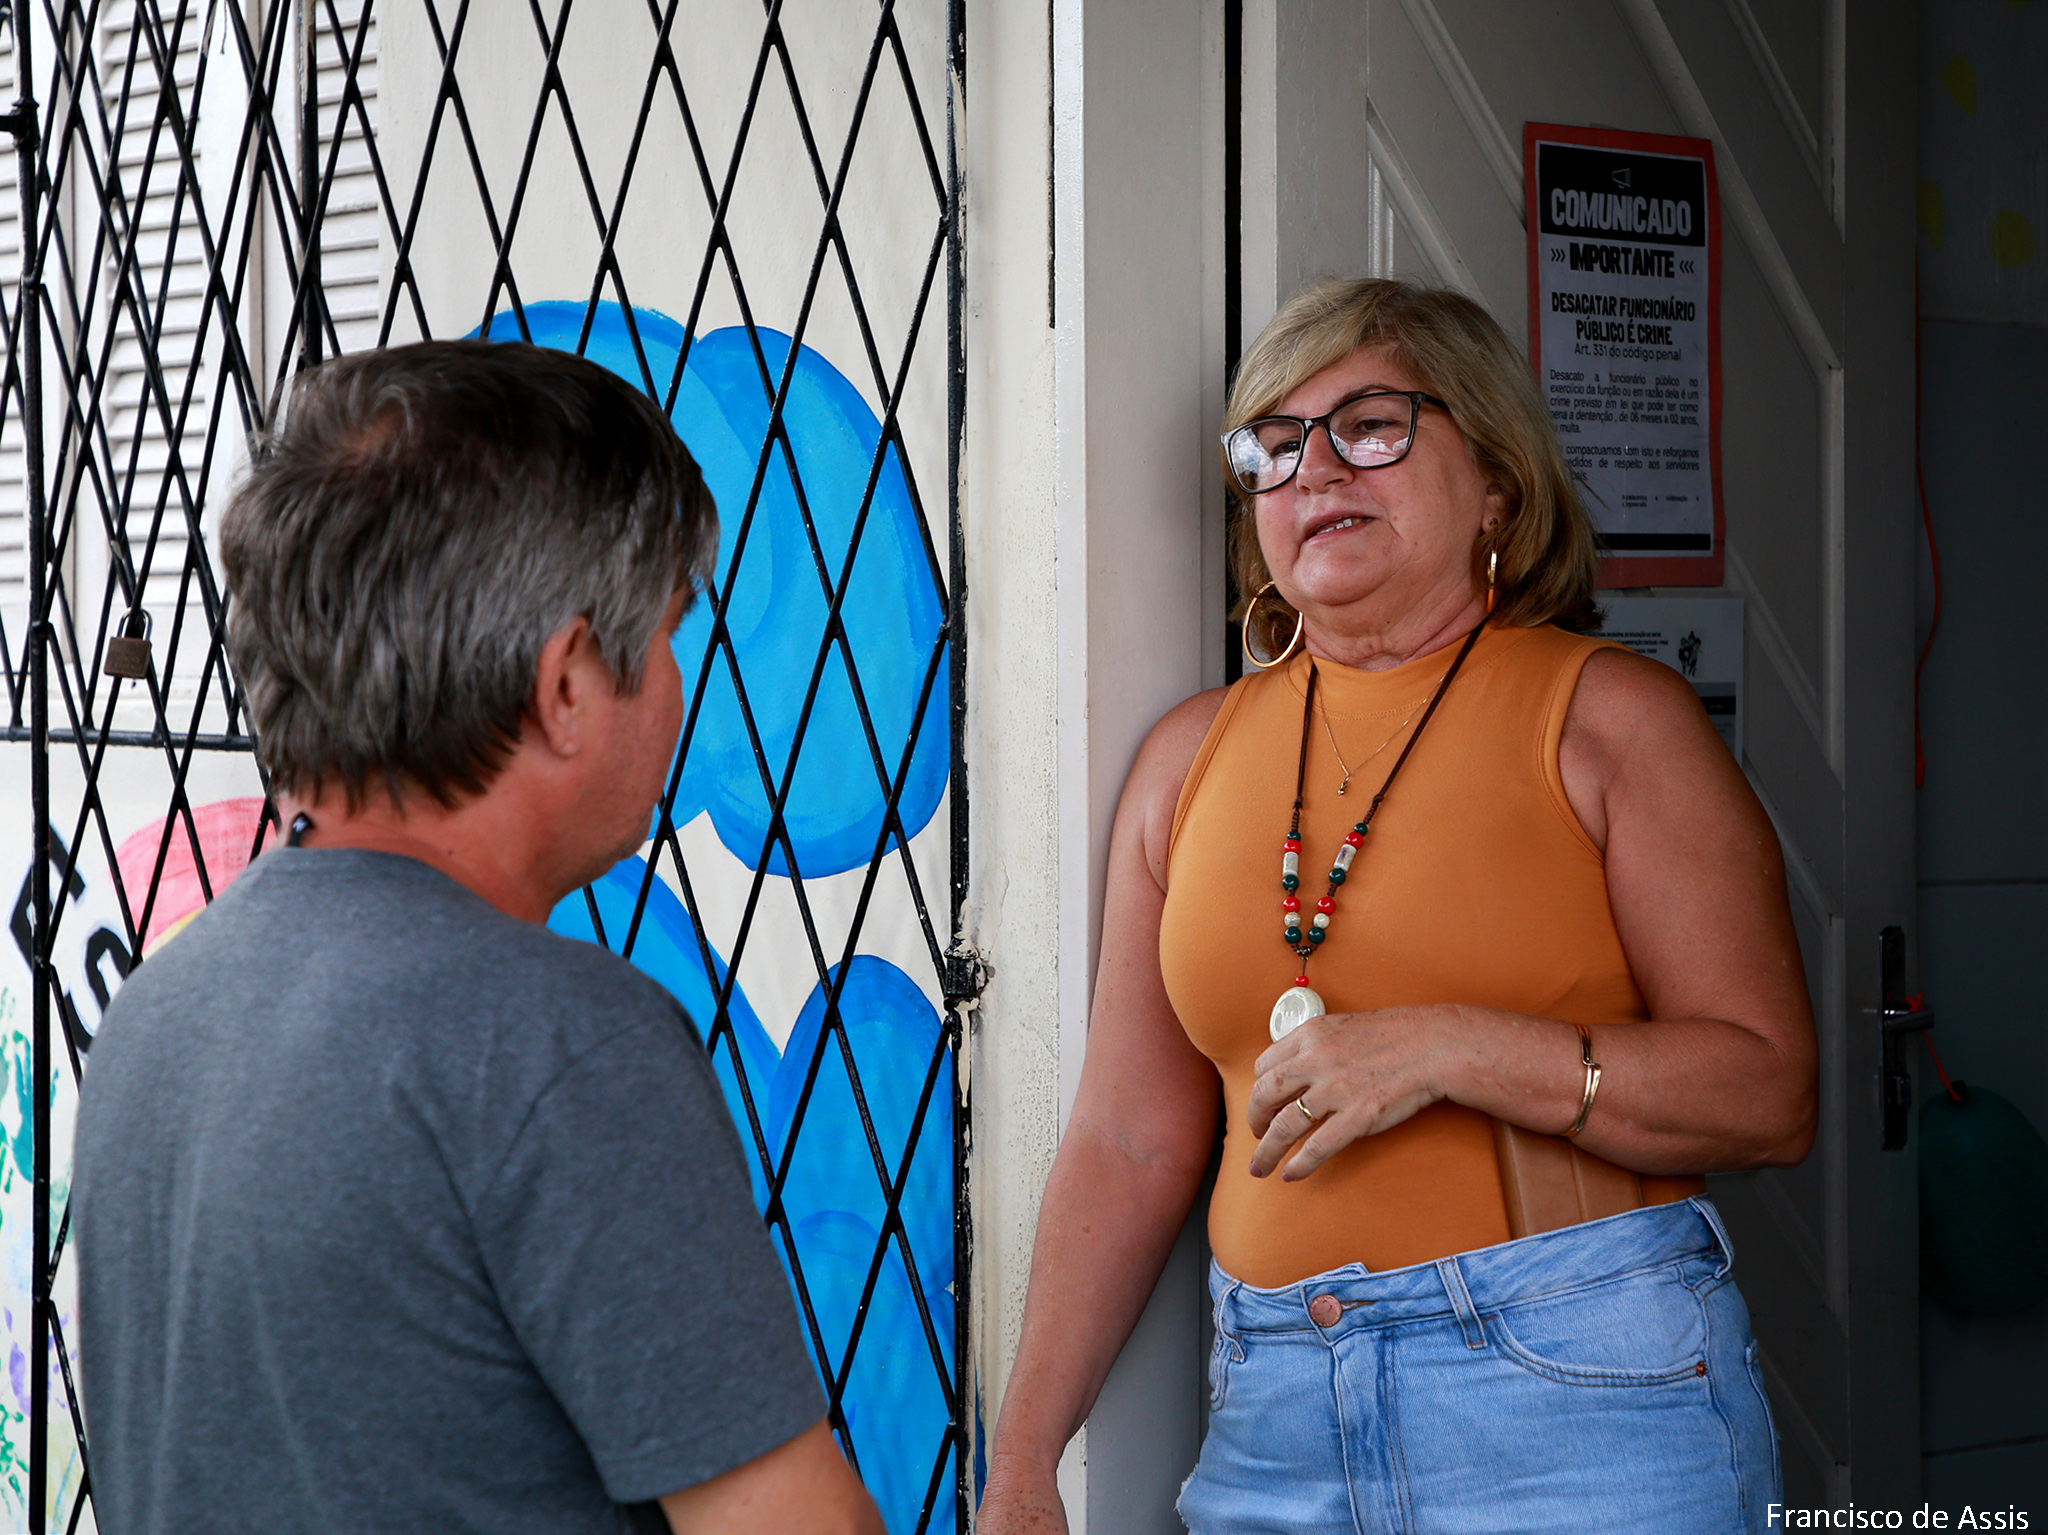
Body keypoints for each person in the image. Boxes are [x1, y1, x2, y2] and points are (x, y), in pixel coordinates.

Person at [977, 278, 1816, 1534]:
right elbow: (1126, 1139)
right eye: (1273, 445)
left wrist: (1449, 1046)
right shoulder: (1185, 759)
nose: (1312, 468)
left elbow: (1768, 1091)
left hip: (1574, 1388)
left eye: (1370, 424)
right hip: (1271, 1407)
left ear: (1496, 483)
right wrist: (1022, 1460)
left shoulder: (1608, 719)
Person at [72, 341, 884, 1535]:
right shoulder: (561, 1045)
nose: (677, 686)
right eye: (669, 633)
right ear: (566, 683)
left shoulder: (162, 1009)